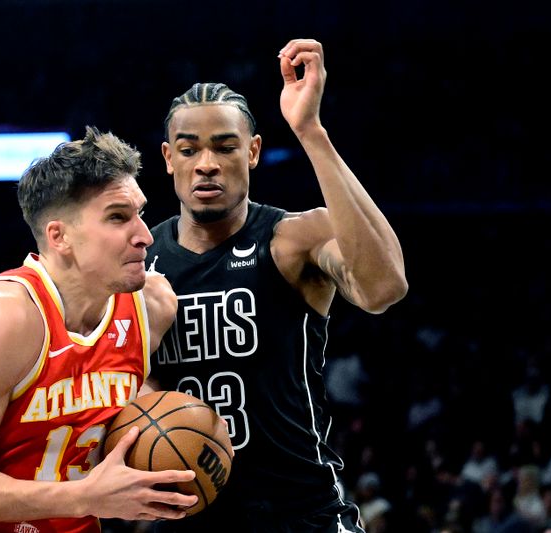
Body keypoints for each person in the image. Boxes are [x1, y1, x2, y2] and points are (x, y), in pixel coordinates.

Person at [143, 38, 408, 532]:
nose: (206, 163)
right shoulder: (138, 262)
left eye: (225, 146)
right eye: (189, 149)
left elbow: (384, 287)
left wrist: (311, 132)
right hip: (190, 518)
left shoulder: (293, 238)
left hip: (302, 513)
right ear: (167, 158)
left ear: (253, 151)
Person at [0, 126, 199, 533]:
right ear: (60, 237)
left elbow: (113, 395)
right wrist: (87, 496)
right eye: (117, 217)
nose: (144, 236)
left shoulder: (153, 307)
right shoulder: (5, 318)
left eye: (140, 214)